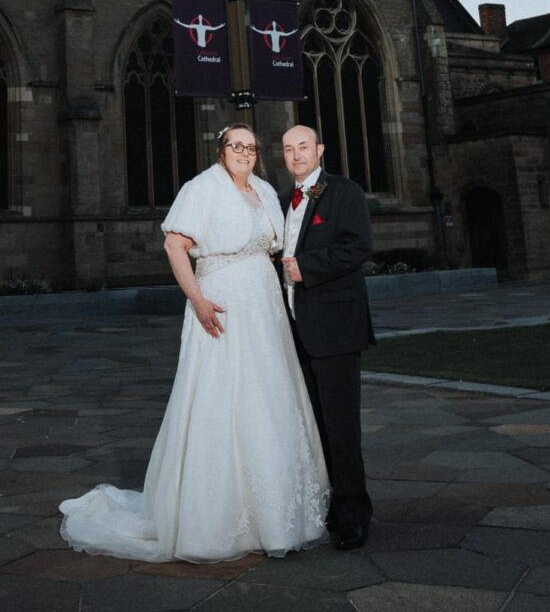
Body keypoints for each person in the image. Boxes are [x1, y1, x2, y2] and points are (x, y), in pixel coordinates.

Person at [60, 123, 329, 562]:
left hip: (264, 308)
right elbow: (173, 245)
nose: (243, 152)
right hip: (222, 303)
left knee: (270, 398)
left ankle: (278, 513)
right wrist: (198, 300)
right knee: (223, 399)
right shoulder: (201, 187)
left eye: (250, 147)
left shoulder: (262, 188)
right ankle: (217, 517)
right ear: (221, 150)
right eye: (235, 146)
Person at [280, 124, 374, 551]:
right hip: (293, 332)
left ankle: (354, 514)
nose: (296, 155)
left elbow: (357, 247)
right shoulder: (281, 201)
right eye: (288, 149)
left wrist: (306, 267)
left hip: (335, 329)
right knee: (311, 428)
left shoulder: (345, 192)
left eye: (303, 146)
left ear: (319, 150)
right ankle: (327, 507)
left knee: (340, 428)